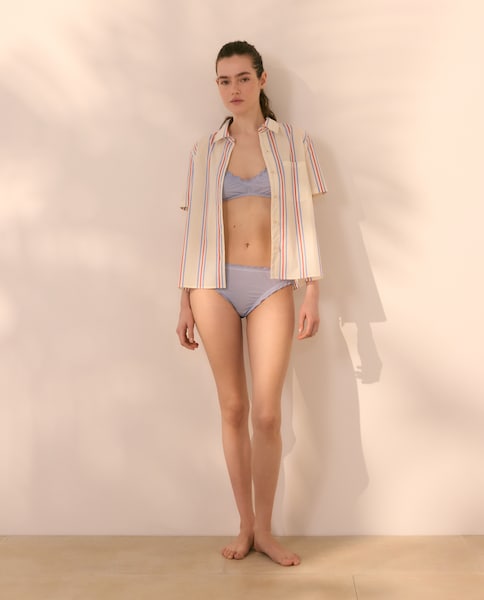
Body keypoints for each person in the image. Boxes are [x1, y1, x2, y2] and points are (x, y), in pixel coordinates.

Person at [176, 41, 327, 567]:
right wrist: (184, 301)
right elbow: (194, 231)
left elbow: (308, 221)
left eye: (243, 78)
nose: (233, 89)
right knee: (233, 408)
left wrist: (312, 289)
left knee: (266, 413)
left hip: (272, 283)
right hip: (211, 285)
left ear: (262, 80)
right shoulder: (203, 150)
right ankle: (245, 526)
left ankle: (266, 530)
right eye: (224, 81)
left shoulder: (295, 143)